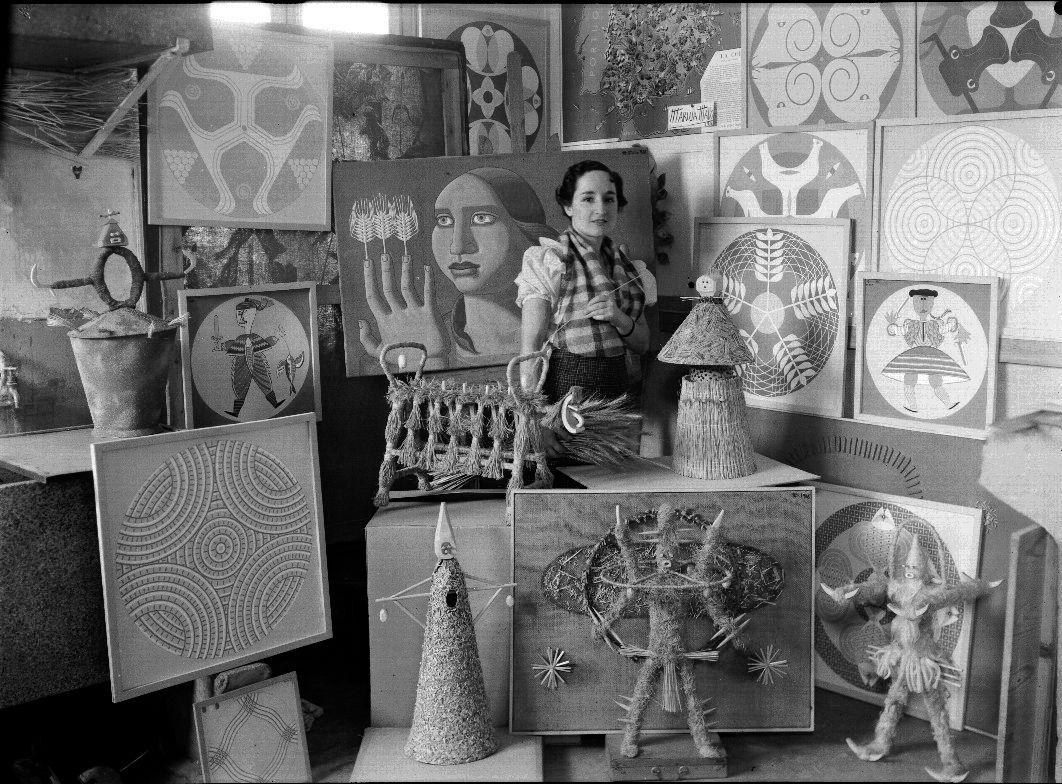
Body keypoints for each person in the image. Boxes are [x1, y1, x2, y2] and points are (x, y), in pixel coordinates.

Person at [358, 167, 556, 366]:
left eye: (481, 218)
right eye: (444, 221)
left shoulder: (565, 334)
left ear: (530, 235)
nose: (457, 246)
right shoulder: (408, 344)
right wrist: (428, 361)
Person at [517, 159, 653, 400]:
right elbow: (532, 345)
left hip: (619, 394)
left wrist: (618, 318)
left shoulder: (630, 269)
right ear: (568, 206)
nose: (601, 209)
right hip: (566, 389)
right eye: (588, 199)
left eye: (609, 199)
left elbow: (642, 345)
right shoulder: (550, 260)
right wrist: (531, 407)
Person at [882, 288, 969, 412]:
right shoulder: (911, 324)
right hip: (914, 355)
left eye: (926, 301)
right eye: (919, 301)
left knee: (935, 379)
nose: (923, 305)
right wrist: (892, 328)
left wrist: (951, 323)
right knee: (910, 378)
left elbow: (945, 328)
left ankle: (948, 403)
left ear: (931, 304)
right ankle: (913, 406)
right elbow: (900, 330)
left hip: (932, 355)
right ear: (914, 304)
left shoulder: (935, 324)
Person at [212, 297, 284, 418]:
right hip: (241, 363)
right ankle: (236, 412)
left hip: (257, 361)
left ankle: (275, 403)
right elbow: (230, 344)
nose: (240, 317)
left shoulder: (255, 337)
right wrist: (219, 346)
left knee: (264, 380)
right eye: (238, 314)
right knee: (239, 384)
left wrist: (277, 336)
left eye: (243, 313)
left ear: (251, 315)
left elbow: (266, 342)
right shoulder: (240, 339)